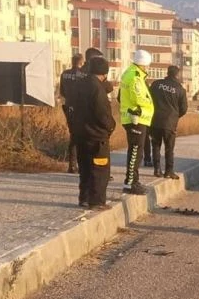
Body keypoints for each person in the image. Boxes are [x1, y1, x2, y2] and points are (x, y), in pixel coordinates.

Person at [70, 57, 116, 210]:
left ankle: (84, 198)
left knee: (85, 168)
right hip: (96, 136)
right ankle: (96, 201)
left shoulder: (79, 84)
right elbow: (102, 113)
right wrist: (111, 126)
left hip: (80, 133)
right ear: (104, 73)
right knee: (99, 169)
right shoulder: (97, 88)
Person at [118, 50, 154, 195]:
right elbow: (138, 98)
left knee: (136, 151)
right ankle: (130, 182)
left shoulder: (130, 73)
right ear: (143, 64)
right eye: (148, 65)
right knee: (135, 151)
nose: (148, 68)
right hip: (136, 118)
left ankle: (133, 180)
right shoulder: (135, 77)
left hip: (135, 118)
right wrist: (150, 103)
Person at [148, 66, 188, 179]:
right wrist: (175, 116)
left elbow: (148, 99)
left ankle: (157, 169)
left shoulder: (156, 84)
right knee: (169, 148)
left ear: (168, 73)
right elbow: (184, 109)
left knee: (156, 145)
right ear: (177, 75)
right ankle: (169, 171)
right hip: (170, 123)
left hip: (155, 120)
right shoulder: (180, 89)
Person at [59, 53, 85, 173]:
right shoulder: (83, 75)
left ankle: (72, 165)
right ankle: (80, 164)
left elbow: (62, 92)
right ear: (81, 62)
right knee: (81, 136)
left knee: (73, 135)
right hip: (80, 107)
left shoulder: (64, 74)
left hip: (68, 106)